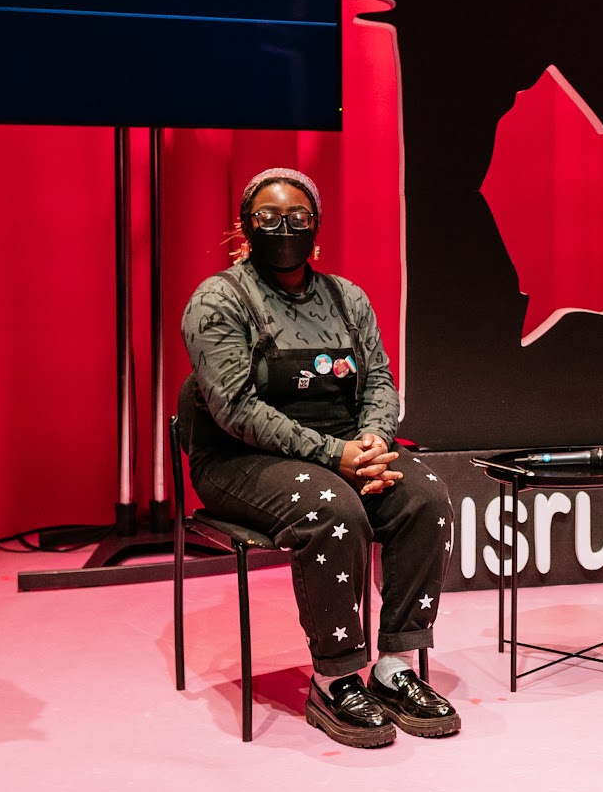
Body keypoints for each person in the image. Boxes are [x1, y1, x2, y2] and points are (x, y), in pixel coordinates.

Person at [179, 169, 458, 749]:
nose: (285, 228)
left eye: (299, 217)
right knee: (336, 513)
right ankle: (334, 679)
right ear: (244, 226)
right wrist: (336, 456)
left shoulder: (346, 297)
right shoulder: (218, 300)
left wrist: (376, 442)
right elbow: (233, 407)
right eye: (269, 218)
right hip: (240, 460)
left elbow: (380, 379)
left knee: (426, 497)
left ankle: (395, 665)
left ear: (317, 227)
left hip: (346, 449)